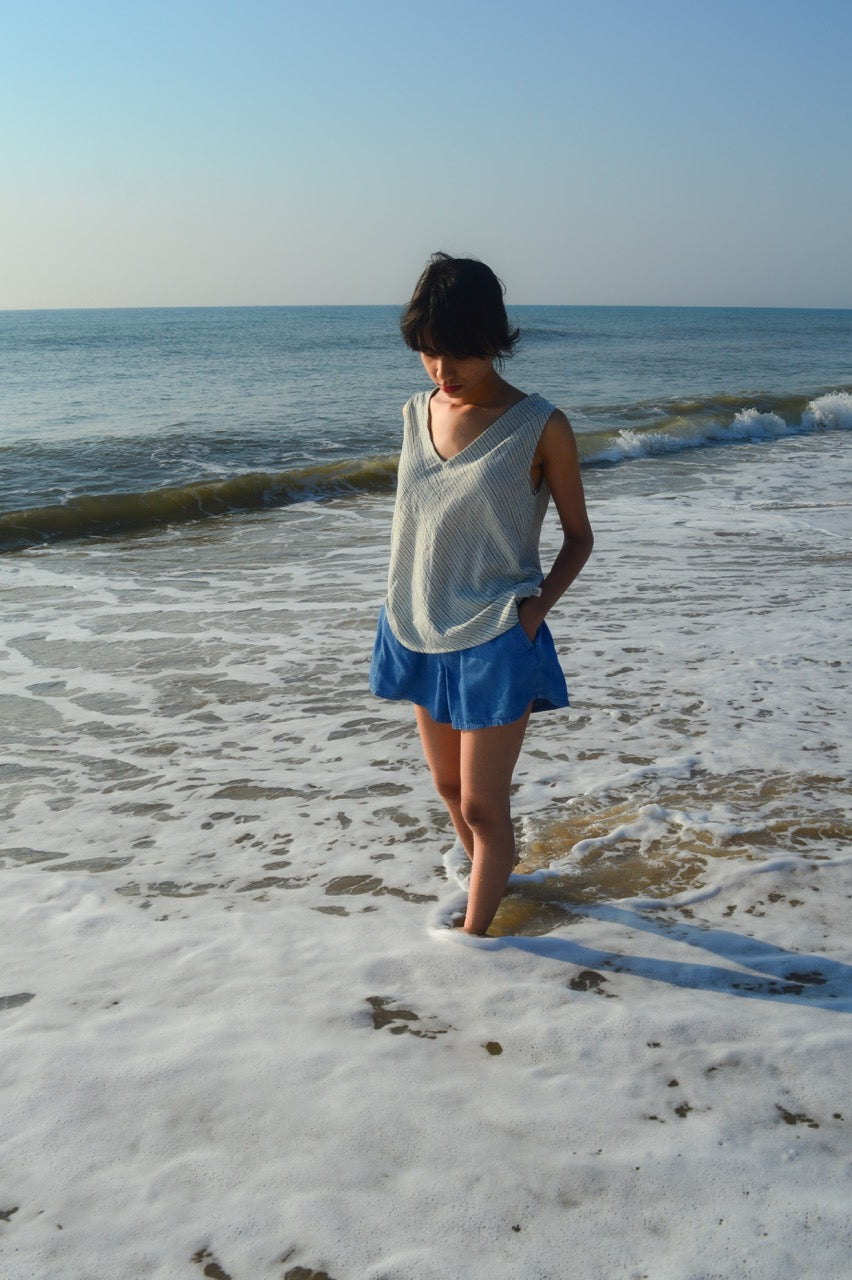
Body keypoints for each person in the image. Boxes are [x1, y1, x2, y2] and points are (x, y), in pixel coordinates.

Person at [370, 253, 593, 936]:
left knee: (483, 806)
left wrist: (533, 614)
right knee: (447, 790)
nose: (443, 369)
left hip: (496, 634)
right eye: (429, 351)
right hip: (417, 625)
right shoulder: (416, 413)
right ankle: (492, 889)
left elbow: (579, 538)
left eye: (459, 352)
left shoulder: (541, 426)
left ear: (494, 339)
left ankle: (474, 950)